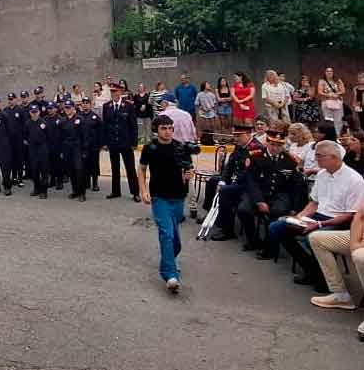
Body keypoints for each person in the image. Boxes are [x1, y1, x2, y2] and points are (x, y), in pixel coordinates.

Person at [261, 140, 363, 292]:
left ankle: (322, 278)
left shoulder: (354, 179)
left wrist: (320, 225)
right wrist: (299, 217)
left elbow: (351, 215)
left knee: (312, 238)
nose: (316, 159)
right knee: (277, 227)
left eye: (320, 156)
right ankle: (312, 269)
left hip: (338, 221)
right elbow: (314, 203)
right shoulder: (322, 174)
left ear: (334, 157)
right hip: (317, 216)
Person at [138, 115, 195, 293]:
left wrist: (188, 174)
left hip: (178, 196)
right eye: (164, 128)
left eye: (171, 128)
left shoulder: (180, 147)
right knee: (166, 233)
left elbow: (189, 169)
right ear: (157, 130)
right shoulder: (150, 148)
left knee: (175, 240)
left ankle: (169, 258)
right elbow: (141, 169)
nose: (168, 131)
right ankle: (170, 275)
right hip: (159, 197)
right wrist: (143, 190)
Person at [306, 194, 364, 340]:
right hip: (359, 236)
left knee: (359, 256)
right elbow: (360, 216)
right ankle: (341, 295)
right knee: (317, 238)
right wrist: (354, 242)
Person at [235, 129, 302, 252]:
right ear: (267, 142)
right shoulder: (255, 156)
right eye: (272, 144)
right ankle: (253, 241)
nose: (275, 148)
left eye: (279, 145)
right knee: (244, 210)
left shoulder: (290, 161)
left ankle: (269, 247)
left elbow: (296, 185)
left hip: (279, 194)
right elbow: (251, 181)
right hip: (259, 192)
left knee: (278, 211)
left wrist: (295, 208)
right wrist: (259, 201)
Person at [207, 124, 265, 242]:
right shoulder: (239, 146)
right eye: (235, 135)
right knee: (212, 181)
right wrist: (223, 181)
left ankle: (227, 230)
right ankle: (212, 214)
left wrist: (229, 184)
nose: (236, 138)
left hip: (249, 184)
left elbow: (250, 174)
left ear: (248, 134)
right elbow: (230, 165)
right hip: (237, 180)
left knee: (225, 191)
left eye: (239, 136)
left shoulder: (256, 148)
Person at [102, 82, 140, 201]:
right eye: (112, 91)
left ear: (121, 92)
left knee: (130, 168)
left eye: (115, 91)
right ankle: (115, 191)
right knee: (115, 167)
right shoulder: (106, 106)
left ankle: (135, 193)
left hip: (126, 142)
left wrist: (134, 142)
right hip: (113, 142)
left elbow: (133, 125)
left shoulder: (128, 106)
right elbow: (105, 126)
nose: (113, 93)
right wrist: (105, 142)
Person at [57, 99, 87, 202]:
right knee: (71, 171)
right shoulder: (62, 121)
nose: (67, 109)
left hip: (77, 148)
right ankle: (75, 191)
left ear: (73, 108)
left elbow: (85, 136)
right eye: (66, 107)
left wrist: (84, 150)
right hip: (67, 149)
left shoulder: (80, 119)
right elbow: (60, 138)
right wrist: (61, 151)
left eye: (69, 107)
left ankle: (82, 193)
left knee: (79, 170)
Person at [23, 102, 50, 198]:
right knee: (34, 170)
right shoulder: (27, 123)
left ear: (39, 112)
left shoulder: (43, 123)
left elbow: (48, 136)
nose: (34, 113)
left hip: (42, 148)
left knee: (44, 170)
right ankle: (36, 188)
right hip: (32, 149)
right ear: (30, 112)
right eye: (32, 112)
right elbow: (25, 135)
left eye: (36, 112)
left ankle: (44, 191)